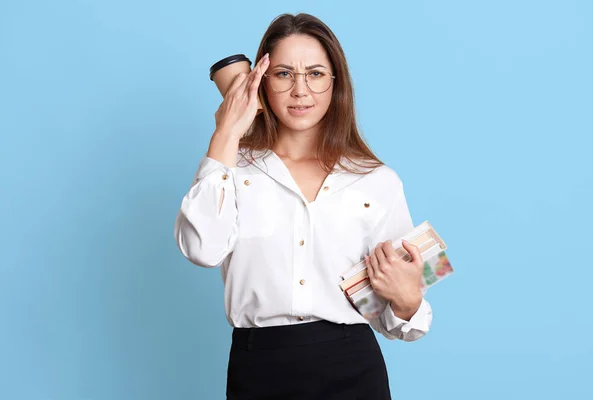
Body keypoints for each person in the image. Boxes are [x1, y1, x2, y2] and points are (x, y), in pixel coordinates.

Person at [174, 13, 433, 400]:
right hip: (259, 368)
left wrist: (409, 301)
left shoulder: (376, 180)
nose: (300, 90)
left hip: (352, 367)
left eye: (315, 73)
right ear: (260, 82)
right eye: (283, 74)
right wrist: (226, 132)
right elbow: (202, 250)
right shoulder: (232, 168)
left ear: (335, 83)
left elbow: (399, 320)